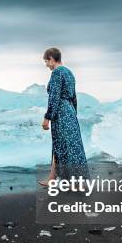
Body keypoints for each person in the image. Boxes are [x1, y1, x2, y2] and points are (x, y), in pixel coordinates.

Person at [39, 47, 89, 187]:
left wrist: (47, 117)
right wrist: (74, 113)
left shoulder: (56, 73)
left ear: (52, 58)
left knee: (61, 145)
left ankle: (68, 181)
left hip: (60, 112)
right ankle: (53, 178)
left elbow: (54, 97)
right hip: (70, 111)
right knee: (69, 145)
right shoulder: (69, 73)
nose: (46, 65)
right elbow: (74, 96)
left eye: (46, 61)